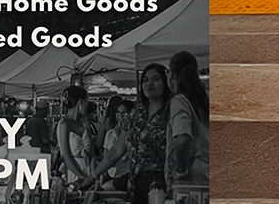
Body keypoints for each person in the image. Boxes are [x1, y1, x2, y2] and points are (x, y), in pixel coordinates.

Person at [88, 64, 170, 194]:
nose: (150, 83)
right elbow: (115, 151)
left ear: (166, 82)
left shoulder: (171, 111)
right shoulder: (138, 112)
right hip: (135, 183)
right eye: (145, 80)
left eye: (156, 79)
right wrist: (93, 176)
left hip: (162, 185)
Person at [166, 52, 209, 185]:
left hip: (191, 180)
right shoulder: (207, 97)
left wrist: (181, 170)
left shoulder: (179, 101)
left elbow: (182, 139)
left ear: (172, 74)